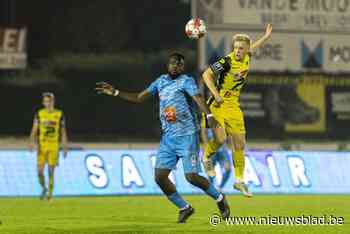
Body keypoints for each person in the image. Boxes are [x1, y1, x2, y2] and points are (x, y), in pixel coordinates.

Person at [95, 52, 230, 223]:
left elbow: (198, 98)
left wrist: (209, 117)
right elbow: (139, 97)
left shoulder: (186, 81)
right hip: (168, 138)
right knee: (159, 177)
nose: (175, 66)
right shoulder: (160, 81)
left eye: (178, 64)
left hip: (187, 136)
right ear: (168, 65)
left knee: (192, 177)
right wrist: (115, 92)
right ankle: (184, 207)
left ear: (182, 67)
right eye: (172, 63)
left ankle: (220, 199)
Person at [202, 24, 273, 197]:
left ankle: (239, 181)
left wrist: (266, 37)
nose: (238, 51)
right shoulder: (226, 61)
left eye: (241, 48)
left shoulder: (248, 56)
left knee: (240, 143)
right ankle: (205, 158)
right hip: (217, 104)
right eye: (235, 48)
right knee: (220, 139)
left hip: (233, 105)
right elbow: (206, 75)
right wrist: (215, 94)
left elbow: (254, 47)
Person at [29, 92, 68, 200]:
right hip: (42, 146)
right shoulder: (39, 113)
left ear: (53, 102)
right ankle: (44, 188)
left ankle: (50, 195)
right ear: (43, 103)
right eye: (46, 101)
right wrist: (31, 142)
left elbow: (63, 132)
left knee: (51, 170)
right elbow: (34, 129)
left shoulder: (59, 114)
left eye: (49, 101)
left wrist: (65, 146)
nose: (48, 103)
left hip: (53, 146)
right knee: (40, 172)